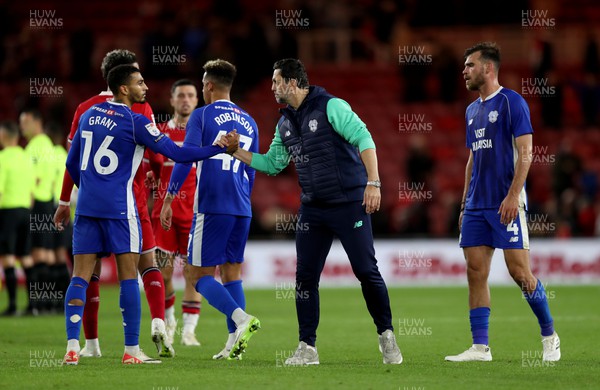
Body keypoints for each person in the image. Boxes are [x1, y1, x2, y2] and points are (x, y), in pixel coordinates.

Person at [61, 64, 237, 365]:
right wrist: (217, 148)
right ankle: (131, 352)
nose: (146, 87)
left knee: (79, 276)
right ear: (124, 89)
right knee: (130, 277)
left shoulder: (89, 115)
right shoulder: (136, 122)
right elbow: (178, 153)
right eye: (140, 83)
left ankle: (73, 348)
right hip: (120, 209)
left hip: (88, 209)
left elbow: (72, 163)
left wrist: (90, 189)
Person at [231, 58, 403, 365]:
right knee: (305, 278)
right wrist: (236, 152)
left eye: (276, 81)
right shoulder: (284, 122)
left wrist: (373, 182)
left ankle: (386, 334)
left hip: (349, 203)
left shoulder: (332, 107)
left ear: (292, 83)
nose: (271, 87)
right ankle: (307, 347)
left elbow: (365, 138)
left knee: (365, 270)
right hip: (313, 208)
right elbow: (273, 164)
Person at [445, 42, 560, 363]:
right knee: (475, 271)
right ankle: (480, 347)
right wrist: (465, 203)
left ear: (488, 68)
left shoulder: (512, 103)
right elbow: (472, 158)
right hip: (477, 206)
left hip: (506, 204)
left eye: (469, 65)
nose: (464, 71)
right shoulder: (471, 110)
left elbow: (526, 152)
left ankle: (549, 335)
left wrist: (513, 195)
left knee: (520, 273)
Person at [54, 49, 173, 358]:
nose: (143, 86)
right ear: (123, 81)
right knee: (141, 267)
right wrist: (158, 181)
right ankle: (144, 336)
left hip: (90, 203)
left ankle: (87, 345)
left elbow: (74, 161)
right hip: (129, 205)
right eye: (137, 77)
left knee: (86, 273)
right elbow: (158, 152)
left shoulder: (85, 109)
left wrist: (66, 199)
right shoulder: (140, 110)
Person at [160, 59, 260, 360]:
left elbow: (185, 156)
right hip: (242, 204)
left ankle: (242, 319)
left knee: (195, 273)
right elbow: (251, 168)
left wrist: (168, 197)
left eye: (202, 86)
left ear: (209, 86)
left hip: (213, 204)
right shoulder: (249, 120)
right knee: (231, 272)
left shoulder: (202, 115)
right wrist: (243, 198)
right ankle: (234, 345)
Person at [149, 79, 204, 347]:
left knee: (194, 273)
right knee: (164, 272)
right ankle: (169, 321)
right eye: (180, 94)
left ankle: (190, 330)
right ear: (171, 100)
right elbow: (151, 171)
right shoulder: (158, 134)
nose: (185, 99)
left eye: (190, 95)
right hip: (164, 215)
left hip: (196, 215)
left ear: (197, 100)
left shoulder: (204, 135)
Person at [20, 108, 56, 315]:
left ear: (37, 121)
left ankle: (38, 304)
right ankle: (47, 304)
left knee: (37, 254)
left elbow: (37, 178)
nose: (22, 127)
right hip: (46, 203)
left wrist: (29, 202)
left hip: (38, 203)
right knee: (45, 254)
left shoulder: (39, 146)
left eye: (25, 122)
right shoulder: (42, 144)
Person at [0, 121, 36, 316]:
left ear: (4, 136)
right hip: (25, 211)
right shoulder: (26, 157)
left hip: (8, 211)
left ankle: (13, 305)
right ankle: (33, 305)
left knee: (7, 257)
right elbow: (32, 191)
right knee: (26, 257)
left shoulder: (3, 158)